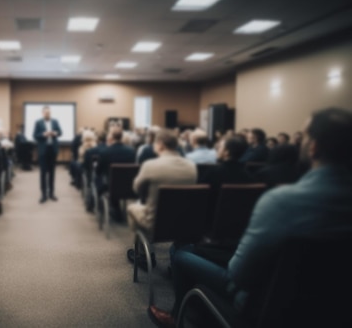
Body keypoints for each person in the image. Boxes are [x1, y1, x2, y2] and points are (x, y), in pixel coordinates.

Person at [147, 108, 352, 328]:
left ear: (313, 147)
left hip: (263, 305)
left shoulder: (281, 202)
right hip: (335, 308)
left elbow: (238, 276)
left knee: (180, 253)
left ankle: (180, 315)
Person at [126, 129, 197, 267]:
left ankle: (143, 254)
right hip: (183, 221)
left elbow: (136, 188)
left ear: (160, 145)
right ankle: (178, 258)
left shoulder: (150, 166)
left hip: (155, 223)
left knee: (132, 207)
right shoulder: (191, 166)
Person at [96, 127, 136, 220]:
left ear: (110, 137)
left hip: (111, 187)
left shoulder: (104, 152)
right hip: (129, 187)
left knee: (98, 178)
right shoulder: (131, 151)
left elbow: (99, 171)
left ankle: (97, 206)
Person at [33, 106, 62, 203]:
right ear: (42, 113)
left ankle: (51, 193)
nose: (47, 114)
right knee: (43, 173)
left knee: (52, 173)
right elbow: (34, 136)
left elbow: (60, 132)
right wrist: (43, 135)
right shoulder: (38, 122)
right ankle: (43, 194)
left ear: (51, 113)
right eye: (45, 113)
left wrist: (55, 133)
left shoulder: (55, 121)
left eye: (49, 113)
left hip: (52, 150)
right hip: (43, 151)